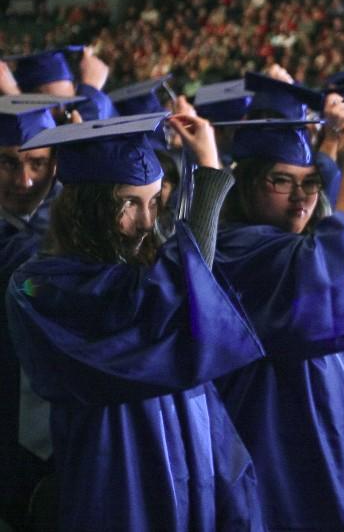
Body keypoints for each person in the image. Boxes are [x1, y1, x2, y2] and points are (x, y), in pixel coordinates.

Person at [6, 111, 267, 530]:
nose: (147, 223)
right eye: (128, 203)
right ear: (84, 209)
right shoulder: (40, 287)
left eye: (155, 201)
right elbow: (162, 300)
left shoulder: (144, 270)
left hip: (190, 451)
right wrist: (209, 176)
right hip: (115, 465)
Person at [212, 95, 344, 530]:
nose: (301, 198)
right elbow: (337, 261)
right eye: (281, 181)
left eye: (310, 183)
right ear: (247, 184)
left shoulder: (304, 242)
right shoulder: (236, 251)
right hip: (291, 440)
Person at [0, 95, 79, 528]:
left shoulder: (71, 229)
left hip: (61, 436)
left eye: (39, 163)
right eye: (9, 163)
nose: (26, 181)